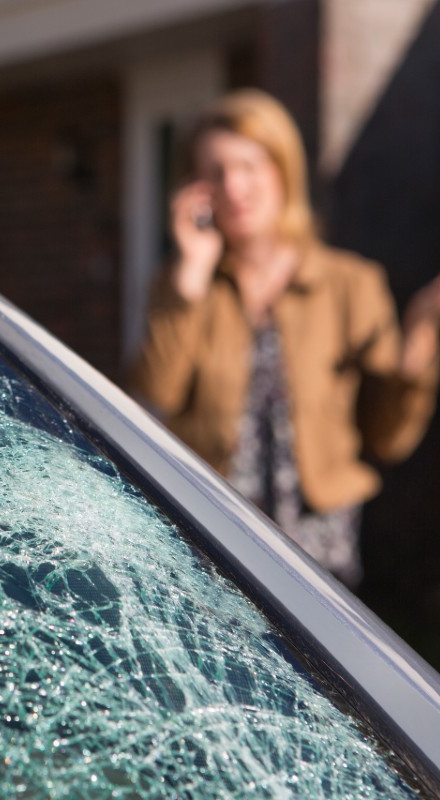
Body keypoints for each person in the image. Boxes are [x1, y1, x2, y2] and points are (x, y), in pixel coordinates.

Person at [129, 88, 440, 587]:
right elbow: (154, 398)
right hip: (210, 539)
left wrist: (420, 342)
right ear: (194, 188)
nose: (234, 186)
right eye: (215, 171)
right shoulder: (182, 283)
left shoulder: (352, 284)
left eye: (250, 165)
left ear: (283, 171)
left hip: (320, 550)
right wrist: (189, 281)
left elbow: (388, 437)